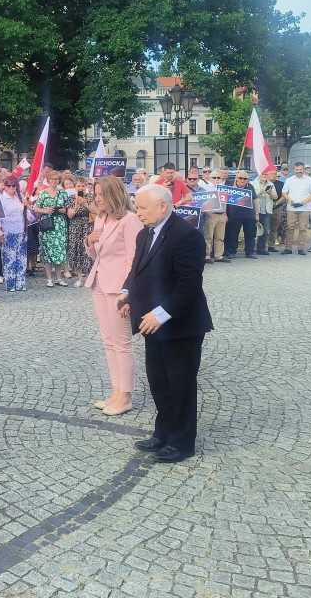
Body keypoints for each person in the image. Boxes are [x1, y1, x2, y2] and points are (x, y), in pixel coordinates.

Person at [117, 185, 213, 464]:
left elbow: (189, 286)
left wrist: (160, 314)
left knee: (180, 384)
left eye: (143, 207)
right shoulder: (145, 232)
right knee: (159, 383)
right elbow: (137, 269)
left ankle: (182, 443)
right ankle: (163, 433)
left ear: (162, 206)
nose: (138, 212)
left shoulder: (187, 236)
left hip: (181, 326)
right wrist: (127, 294)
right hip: (153, 325)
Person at [85, 175, 141, 416]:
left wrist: (128, 293)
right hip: (99, 282)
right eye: (95, 195)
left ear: (114, 195)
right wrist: (88, 241)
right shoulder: (101, 218)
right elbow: (95, 255)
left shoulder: (130, 221)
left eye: (101, 195)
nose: (97, 199)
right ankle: (116, 391)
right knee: (108, 341)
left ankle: (125, 396)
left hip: (119, 288)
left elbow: (134, 260)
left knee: (122, 343)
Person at [33, 170, 69, 287]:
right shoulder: (43, 193)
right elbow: (36, 208)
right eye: (52, 179)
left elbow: (68, 208)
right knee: (47, 250)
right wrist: (45, 211)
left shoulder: (63, 194)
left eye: (56, 179)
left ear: (59, 181)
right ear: (48, 180)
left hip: (59, 224)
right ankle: (49, 278)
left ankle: (58, 278)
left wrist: (64, 210)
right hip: (47, 224)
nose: (54, 181)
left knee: (59, 251)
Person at [0, 174, 28, 292]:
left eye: (14, 185)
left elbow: (25, 214)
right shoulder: (1, 198)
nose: (11, 187)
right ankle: (10, 284)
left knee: (21, 259)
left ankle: (20, 283)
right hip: (7, 232)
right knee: (9, 260)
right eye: (9, 185)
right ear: (5, 186)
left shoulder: (21, 196)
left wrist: (27, 206)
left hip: (21, 231)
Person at [282, 162, 311, 255]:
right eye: (297, 170)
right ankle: (288, 248)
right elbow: (284, 192)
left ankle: (301, 248)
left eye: (300, 169)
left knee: (303, 228)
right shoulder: (289, 180)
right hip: (292, 207)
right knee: (289, 228)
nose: (299, 171)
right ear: (294, 170)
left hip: (305, 207)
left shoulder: (310, 180)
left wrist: (305, 201)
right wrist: (289, 199)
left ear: (304, 169)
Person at [223, 170, 259, 259]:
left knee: (250, 234)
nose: (242, 180)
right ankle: (232, 251)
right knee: (233, 234)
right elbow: (224, 202)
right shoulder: (230, 187)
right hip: (234, 214)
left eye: (244, 178)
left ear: (248, 179)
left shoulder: (250, 187)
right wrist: (225, 214)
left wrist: (257, 213)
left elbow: (255, 200)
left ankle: (249, 252)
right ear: (236, 178)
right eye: (240, 178)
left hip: (249, 215)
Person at [66, 181, 94, 287]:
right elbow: (70, 215)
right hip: (75, 227)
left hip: (88, 226)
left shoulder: (90, 197)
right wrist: (77, 205)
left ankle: (91, 277)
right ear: (75, 187)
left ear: (86, 187)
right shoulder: (71, 198)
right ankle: (79, 279)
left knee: (89, 251)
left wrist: (85, 204)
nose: (81, 188)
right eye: (78, 186)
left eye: (83, 186)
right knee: (77, 251)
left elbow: (95, 211)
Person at [201, 170, 227, 263]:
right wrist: (207, 211)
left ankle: (218, 255)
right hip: (211, 214)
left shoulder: (223, 188)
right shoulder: (206, 188)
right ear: (209, 178)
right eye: (214, 177)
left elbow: (226, 202)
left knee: (220, 237)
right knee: (208, 236)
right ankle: (207, 255)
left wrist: (225, 214)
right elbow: (203, 201)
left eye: (218, 177)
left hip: (221, 214)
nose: (216, 179)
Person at [252, 169, 279, 255]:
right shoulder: (253, 183)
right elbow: (250, 195)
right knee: (252, 231)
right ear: (259, 175)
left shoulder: (271, 184)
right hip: (255, 211)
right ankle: (250, 248)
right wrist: (259, 193)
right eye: (262, 174)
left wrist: (270, 193)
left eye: (266, 174)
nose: (264, 175)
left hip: (266, 210)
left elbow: (275, 197)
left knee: (265, 231)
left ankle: (261, 248)